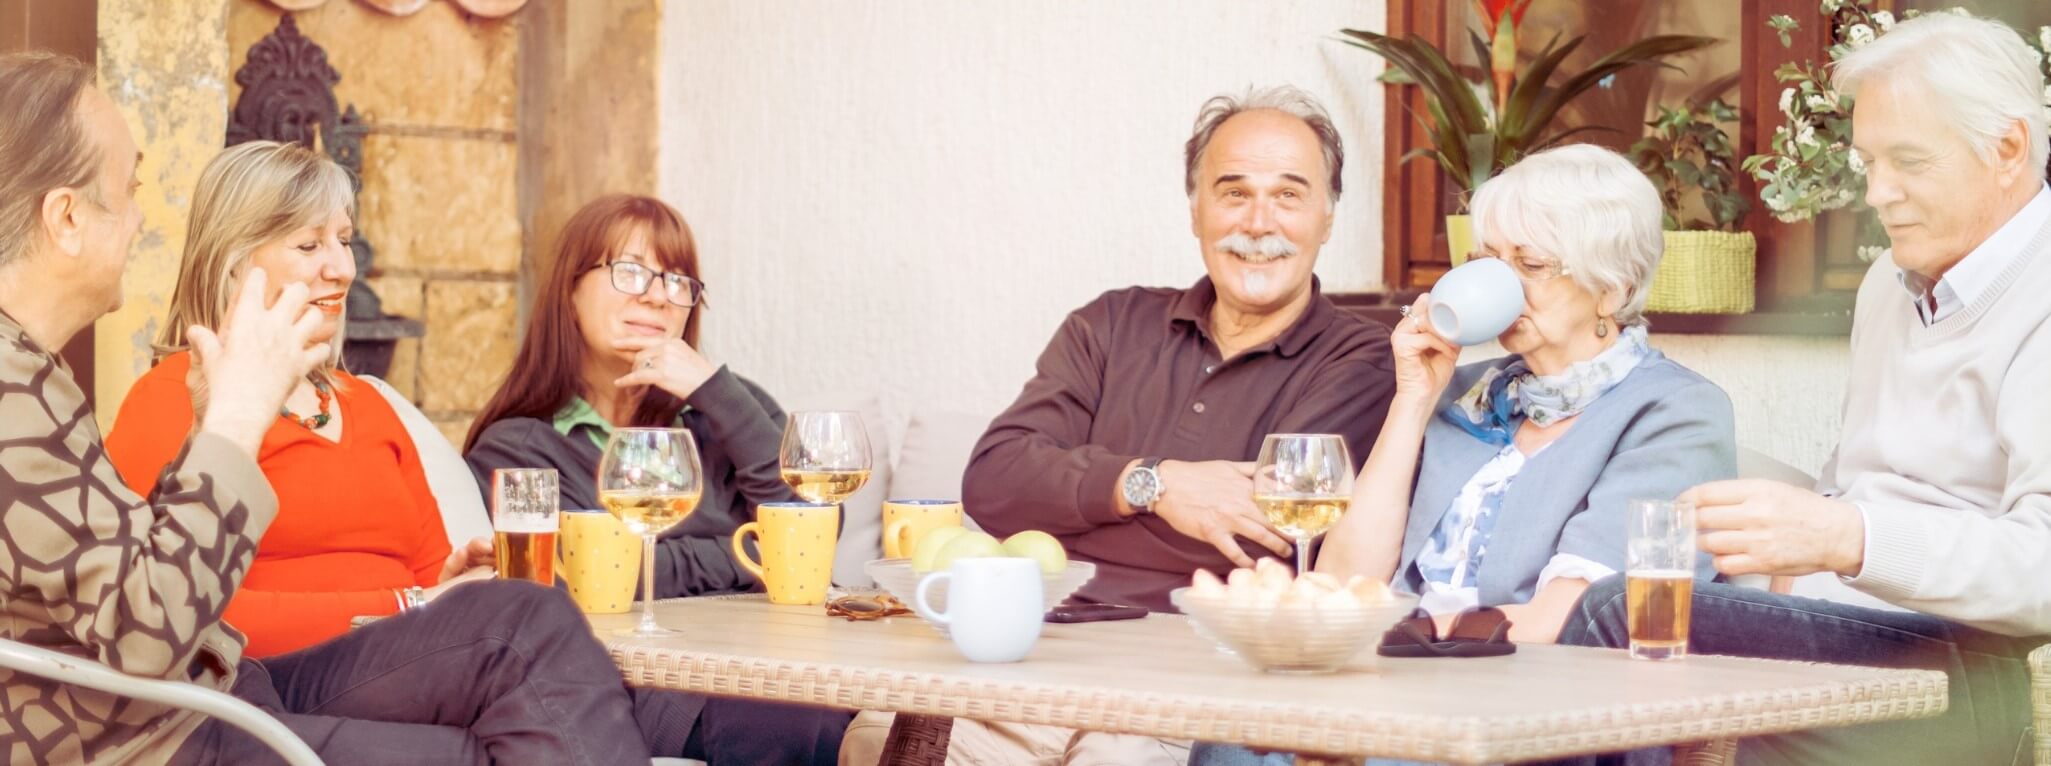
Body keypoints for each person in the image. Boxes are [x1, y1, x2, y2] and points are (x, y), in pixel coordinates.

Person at [0, 51, 682, 765]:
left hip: (212, 689)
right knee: (496, 726)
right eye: (130, 187)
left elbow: (138, 580)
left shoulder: (34, 378)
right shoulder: (15, 395)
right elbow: (145, 633)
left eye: (344, 241)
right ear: (68, 217)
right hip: (160, 733)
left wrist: (213, 428)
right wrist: (234, 419)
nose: (142, 219)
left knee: (524, 623)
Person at [842, 84, 1397, 766]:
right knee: (878, 737)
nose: (1259, 222)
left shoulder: (1359, 358)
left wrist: (1075, 498)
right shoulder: (1110, 326)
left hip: (1194, 673)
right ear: (1195, 209)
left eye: (1287, 195)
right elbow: (994, 480)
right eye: (1231, 192)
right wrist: (1150, 483)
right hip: (1037, 653)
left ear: (1326, 217)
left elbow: (1270, 529)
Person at [1556, 13, 2051, 765]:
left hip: (1973, 667)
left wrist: (1844, 537)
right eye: (1867, 162)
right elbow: (1852, 487)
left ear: (2007, 149)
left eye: (1908, 161)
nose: (1877, 193)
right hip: (1855, 626)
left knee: (1617, 615)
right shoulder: (1893, 281)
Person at [1189, 144, 1737, 766]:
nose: (1499, 284)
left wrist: (1394, 648)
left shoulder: (1674, 413)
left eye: (1528, 264)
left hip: (1545, 718)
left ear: (1614, 288)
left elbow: (1576, 619)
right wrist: (1412, 402)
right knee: (1229, 739)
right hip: (1400, 692)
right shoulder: (1464, 392)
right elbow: (1345, 580)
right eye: (1486, 261)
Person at [464, 193, 850, 764]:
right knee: (789, 713)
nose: (655, 294)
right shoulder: (522, 448)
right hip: (641, 685)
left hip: (775, 658)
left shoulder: (725, 412)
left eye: (678, 281)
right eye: (629, 271)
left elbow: (810, 535)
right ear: (569, 291)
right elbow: (597, 585)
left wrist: (713, 388)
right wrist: (746, 558)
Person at [105, 140, 490, 659]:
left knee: (533, 615)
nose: (343, 270)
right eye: (309, 246)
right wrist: (408, 603)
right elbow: (180, 616)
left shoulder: (367, 405)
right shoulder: (171, 399)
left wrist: (457, 585)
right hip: (278, 687)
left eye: (345, 241)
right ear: (234, 262)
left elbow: (430, 578)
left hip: (408, 668)